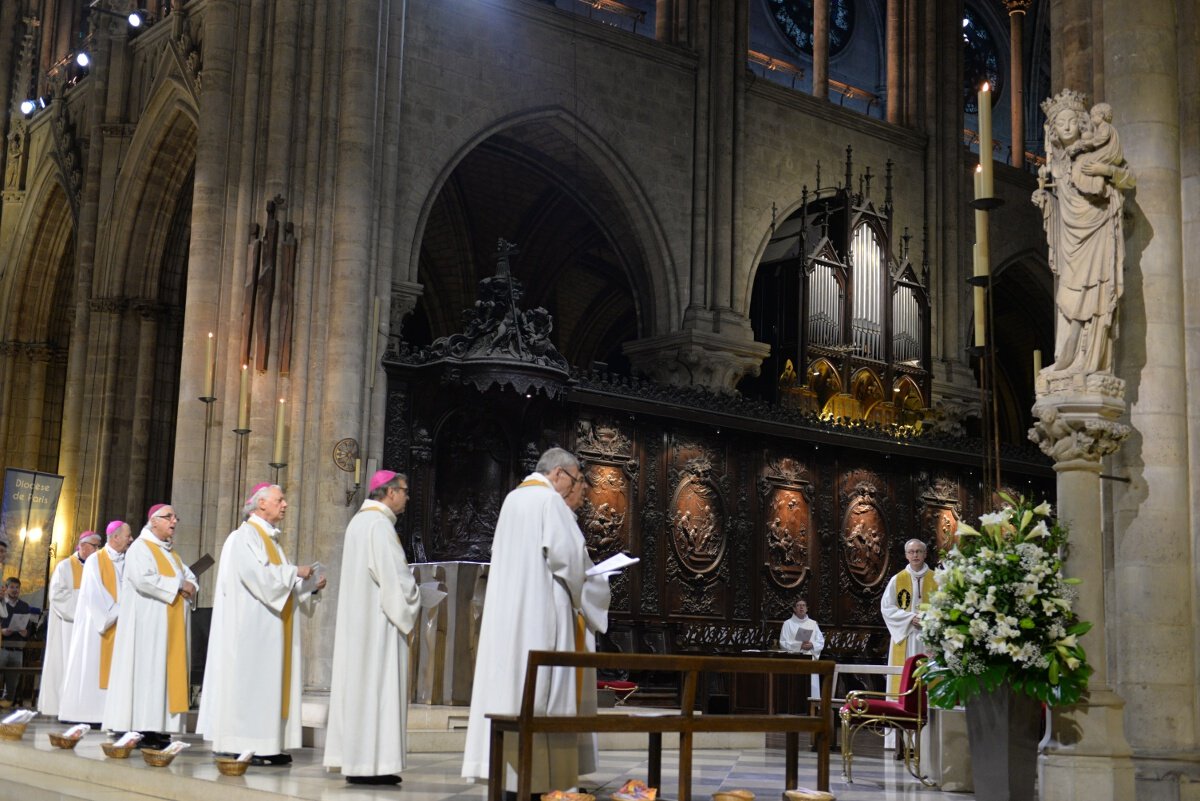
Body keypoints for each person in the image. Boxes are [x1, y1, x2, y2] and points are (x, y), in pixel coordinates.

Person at [462, 447, 611, 795]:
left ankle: (513, 782)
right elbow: (573, 563)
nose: (576, 491)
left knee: (510, 695)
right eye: (575, 482)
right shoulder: (549, 503)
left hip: (508, 622)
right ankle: (542, 783)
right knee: (541, 697)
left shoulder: (513, 501)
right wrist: (597, 584)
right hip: (541, 621)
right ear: (558, 474)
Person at [197, 483, 324, 766]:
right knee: (251, 686)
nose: (285, 505)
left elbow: (280, 582)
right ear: (261, 503)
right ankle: (244, 744)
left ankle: (267, 744)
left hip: (269, 629)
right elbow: (259, 577)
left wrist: (308, 587)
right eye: (280, 500)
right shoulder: (242, 538)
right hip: (250, 632)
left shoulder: (272, 542)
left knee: (265, 686)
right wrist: (295, 573)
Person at [324, 470, 421, 785]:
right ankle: (372, 763)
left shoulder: (358, 523)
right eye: (404, 490)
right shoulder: (379, 526)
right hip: (378, 625)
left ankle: (360, 761)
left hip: (360, 624)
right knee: (377, 690)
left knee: (361, 692)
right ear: (390, 492)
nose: (407, 496)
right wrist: (418, 597)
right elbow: (396, 579)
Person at [1032, 90, 1135, 375]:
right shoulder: (1058, 165)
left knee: (1095, 299)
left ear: (1081, 122)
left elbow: (1127, 179)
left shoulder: (1096, 153)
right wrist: (1046, 204)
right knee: (1067, 300)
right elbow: (1062, 202)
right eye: (1059, 123)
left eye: (1070, 120)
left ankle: (1089, 364)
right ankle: (1068, 360)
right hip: (1071, 242)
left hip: (1098, 232)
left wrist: (1105, 170)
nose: (1065, 127)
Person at [101, 505, 197, 749]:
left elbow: (188, 577)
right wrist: (179, 585)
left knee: (162, 675)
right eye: (169, 517)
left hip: (166, 625)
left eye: (176, 516)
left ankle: (157, 726)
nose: (174, 521)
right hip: (148, 628)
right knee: (148, 675)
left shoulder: (170, 553)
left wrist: (191, 585)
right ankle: (143, 727)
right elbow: (143, 579)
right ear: (153, 522)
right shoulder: (141, 549)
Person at [59, 521, 133, 725]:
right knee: (92, 667)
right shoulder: (94, 561)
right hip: (96, 628)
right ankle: (88, 714)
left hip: (119, 624)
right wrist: (121, 609)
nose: (131, 539)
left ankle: (110, 714)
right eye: (128, 535)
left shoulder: (128, 561)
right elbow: (96, 596)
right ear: (115, 537)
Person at [37, 531, 101, 716]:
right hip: (69, 627)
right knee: (65, 664)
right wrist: (84, 604)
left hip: (89, 628)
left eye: (99, 546)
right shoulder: (65, 567)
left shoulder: (96, 567)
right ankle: (63, 707)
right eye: (95, 546)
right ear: (83, 546)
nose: (98, 550)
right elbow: (57, 595)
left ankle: (83, 708)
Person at [779, 598, 825, 699]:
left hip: (810, 660)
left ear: (807, 609)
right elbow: (783, 643)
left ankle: (813, 708)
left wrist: (812, 645)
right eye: (798, 605)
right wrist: (799, 645)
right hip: (794, 660)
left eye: (803, 605)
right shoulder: (787, 624)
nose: (801, 607)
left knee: (811, 688)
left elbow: (821, 641)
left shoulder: (813, 623)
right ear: (794, 609)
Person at [0, 577, 33, 704]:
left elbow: (29, 627)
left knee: (12, 685)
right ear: (6, 588)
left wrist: (26, 633)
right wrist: (2, 632)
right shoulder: (2, 604)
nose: (15, 590)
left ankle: (7, 708)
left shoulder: (24, 606)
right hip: (2, 647)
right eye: (12, 587)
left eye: (17, 588)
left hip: (17, 650)